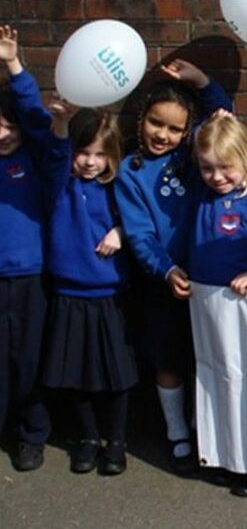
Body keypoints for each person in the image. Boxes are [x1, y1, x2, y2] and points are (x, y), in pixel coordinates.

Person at [114, 59, 231, 475]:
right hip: (164, 282)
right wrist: (165, 270)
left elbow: (223, 120)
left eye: (174, 128)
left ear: (186, 132)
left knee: (209, 358)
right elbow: (140, 233)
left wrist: (202, 81)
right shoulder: (130, 171)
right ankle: (177, 432)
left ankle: (206, 433)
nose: (162, 135)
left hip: (208, 277)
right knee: (168, 360)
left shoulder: (193, 158)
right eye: (155, 123)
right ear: (142, 118)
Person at [41, 102, 136, 475]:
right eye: (84, 152)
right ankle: (87, 438)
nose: (91, 162)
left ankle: (116, 441)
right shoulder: (59, 185)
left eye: (100, 154)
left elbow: (142, 221)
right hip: (68, 294)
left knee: (116, 377)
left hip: (109, 296)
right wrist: (61, 124)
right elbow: (53, 156)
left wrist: (121, 232)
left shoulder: (117, 189)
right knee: (74, 375)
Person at [0, 24, 52, 472]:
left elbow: (36, 119)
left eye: (7, 125)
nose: (2, 133)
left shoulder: (31, 157)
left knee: (29, 360)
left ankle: (31, 434)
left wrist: (14, 66)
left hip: (30, 276)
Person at [189, 112, 247, 296]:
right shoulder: (203, 191)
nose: (216, 177)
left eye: (225, 167)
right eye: (207, 168)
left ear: (245, 157)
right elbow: (197, 142)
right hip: (202, 301)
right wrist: (214, 119)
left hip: (244, 302)